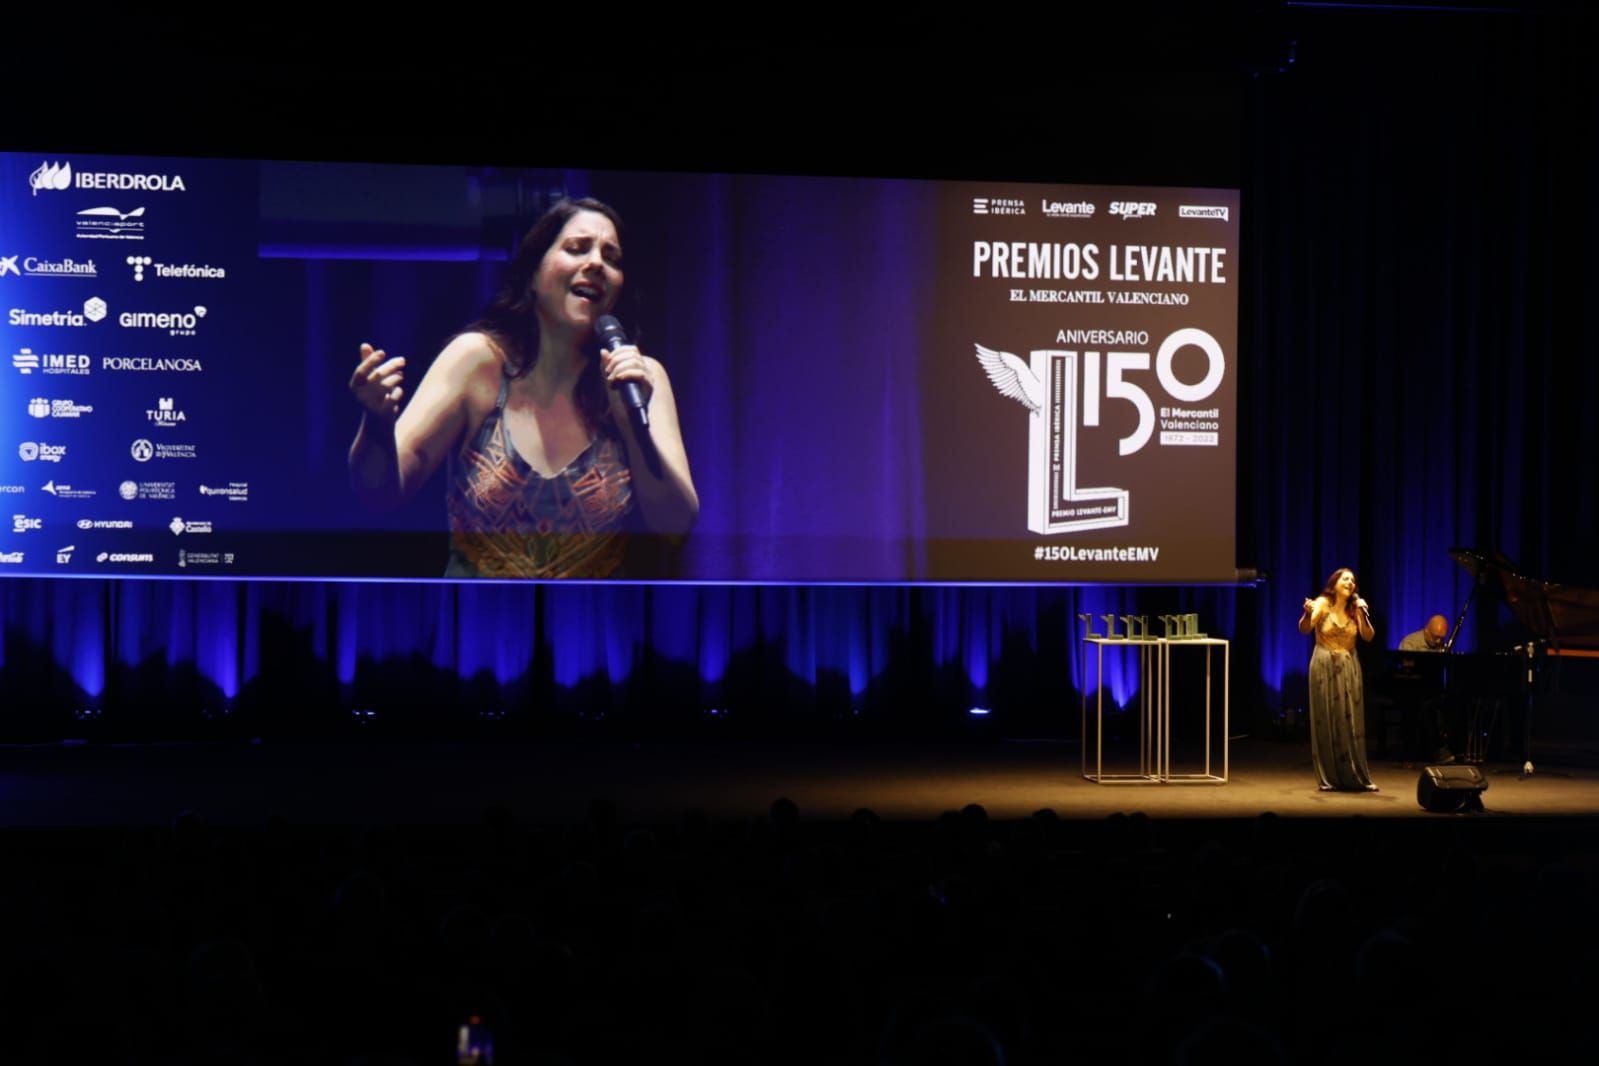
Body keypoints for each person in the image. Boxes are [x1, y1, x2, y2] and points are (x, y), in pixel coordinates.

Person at [347, 198, 698, 578]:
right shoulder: (476, 361)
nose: (596, 263)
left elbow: (675, 527)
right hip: (475, 625)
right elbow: (380, 497)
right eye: (577, 248)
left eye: (611, 258)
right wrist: (377, 424)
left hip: (587, 630)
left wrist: (631, 423)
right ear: (533, 274)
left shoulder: (641, 378)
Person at [1299, 568, 1378, 791]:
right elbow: (1305, 628)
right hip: (1324, 665)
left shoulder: (1356, 608)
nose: (1350, 582)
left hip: (1349, 666)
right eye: (1345, 578)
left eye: (1353, 580)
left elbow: (1368, 636)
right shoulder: (1323, 602)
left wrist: (1362, 613)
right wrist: (1306, 613)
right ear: (1334, 584)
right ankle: (1329, 777)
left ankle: (1356, 775)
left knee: (1350, 720)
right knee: (1326, 719)